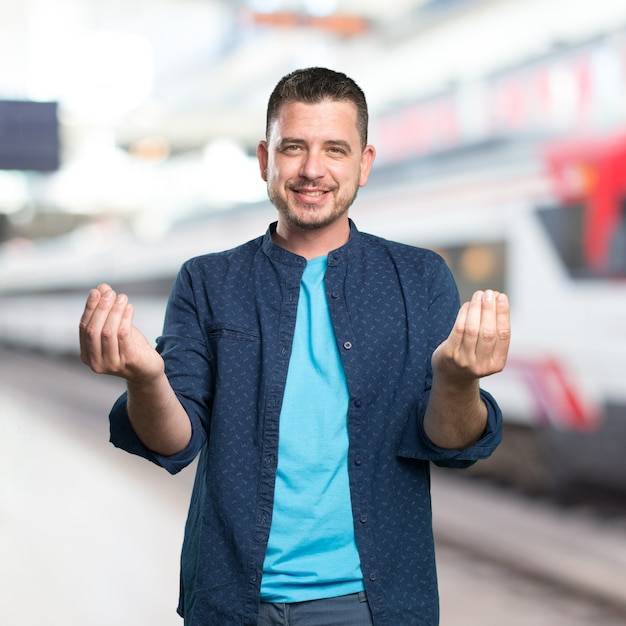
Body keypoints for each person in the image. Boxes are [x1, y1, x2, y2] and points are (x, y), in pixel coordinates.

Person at [79, 67, 510, 626]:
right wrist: (145, 377)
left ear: (364, 163)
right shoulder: (209, 281)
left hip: (373, 606)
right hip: (232, 601)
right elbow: (175, 440)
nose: (312, 169)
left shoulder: (420, 277)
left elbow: (448, 441)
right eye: (293, 148)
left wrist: (457, 380)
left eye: (335, 148)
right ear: (264, 160)